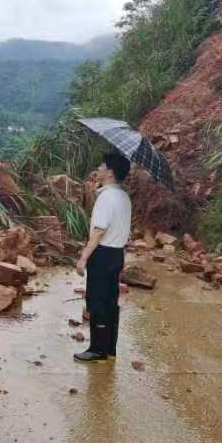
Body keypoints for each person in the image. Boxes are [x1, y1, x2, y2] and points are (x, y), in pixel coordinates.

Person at [74, 152, 132, 363]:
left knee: (97, 300)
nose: (97, 168)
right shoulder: (124, 196)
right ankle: (109, 348)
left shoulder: (106, 197)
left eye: (101, 165)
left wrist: (83, 258)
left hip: (103, 253)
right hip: (117, 253)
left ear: (110, 172)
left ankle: (96, 348)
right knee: (110, 301)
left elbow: (99, 231)